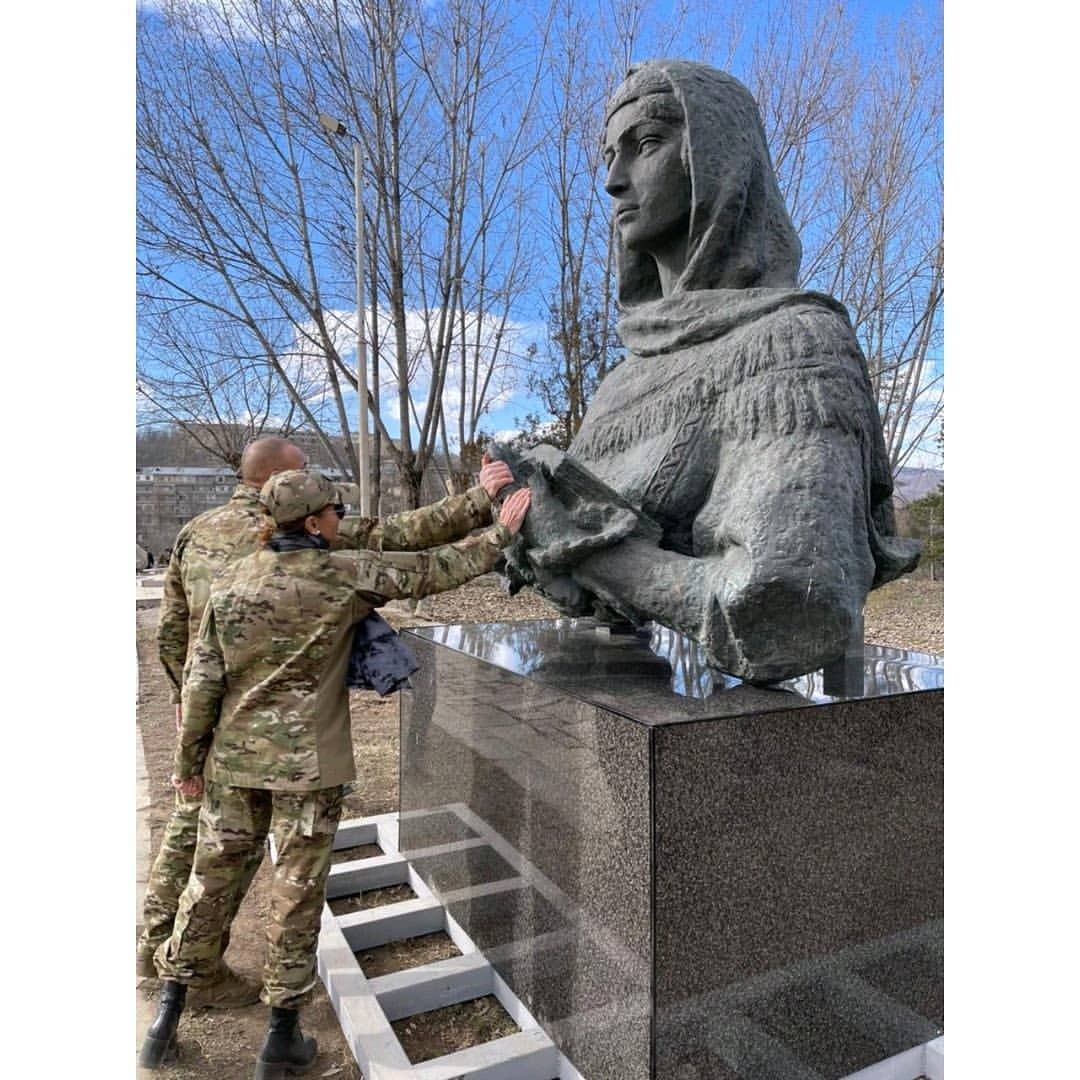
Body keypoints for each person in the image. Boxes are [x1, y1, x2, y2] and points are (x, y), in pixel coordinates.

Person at [500, 61, 919, 684]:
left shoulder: (793, 347)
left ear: (717, 157)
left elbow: (786, 610)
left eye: (645, 144)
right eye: (608, 154)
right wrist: (526, 502)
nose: (613, 181)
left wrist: (576, 542)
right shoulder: (624, 379)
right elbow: (581, 590)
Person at [139, 469, 531, 1074]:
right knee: (295, 897)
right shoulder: (343, 575)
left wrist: (188, 763)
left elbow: (202, 680)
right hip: (309, 771)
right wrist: (499, 535)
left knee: (209, 885)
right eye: (336, 513)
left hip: (231, 766)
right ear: (317, 521)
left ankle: (166, 1017)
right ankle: (281, 1036)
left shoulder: (232, 581)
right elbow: (432, 572)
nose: (340, 521)